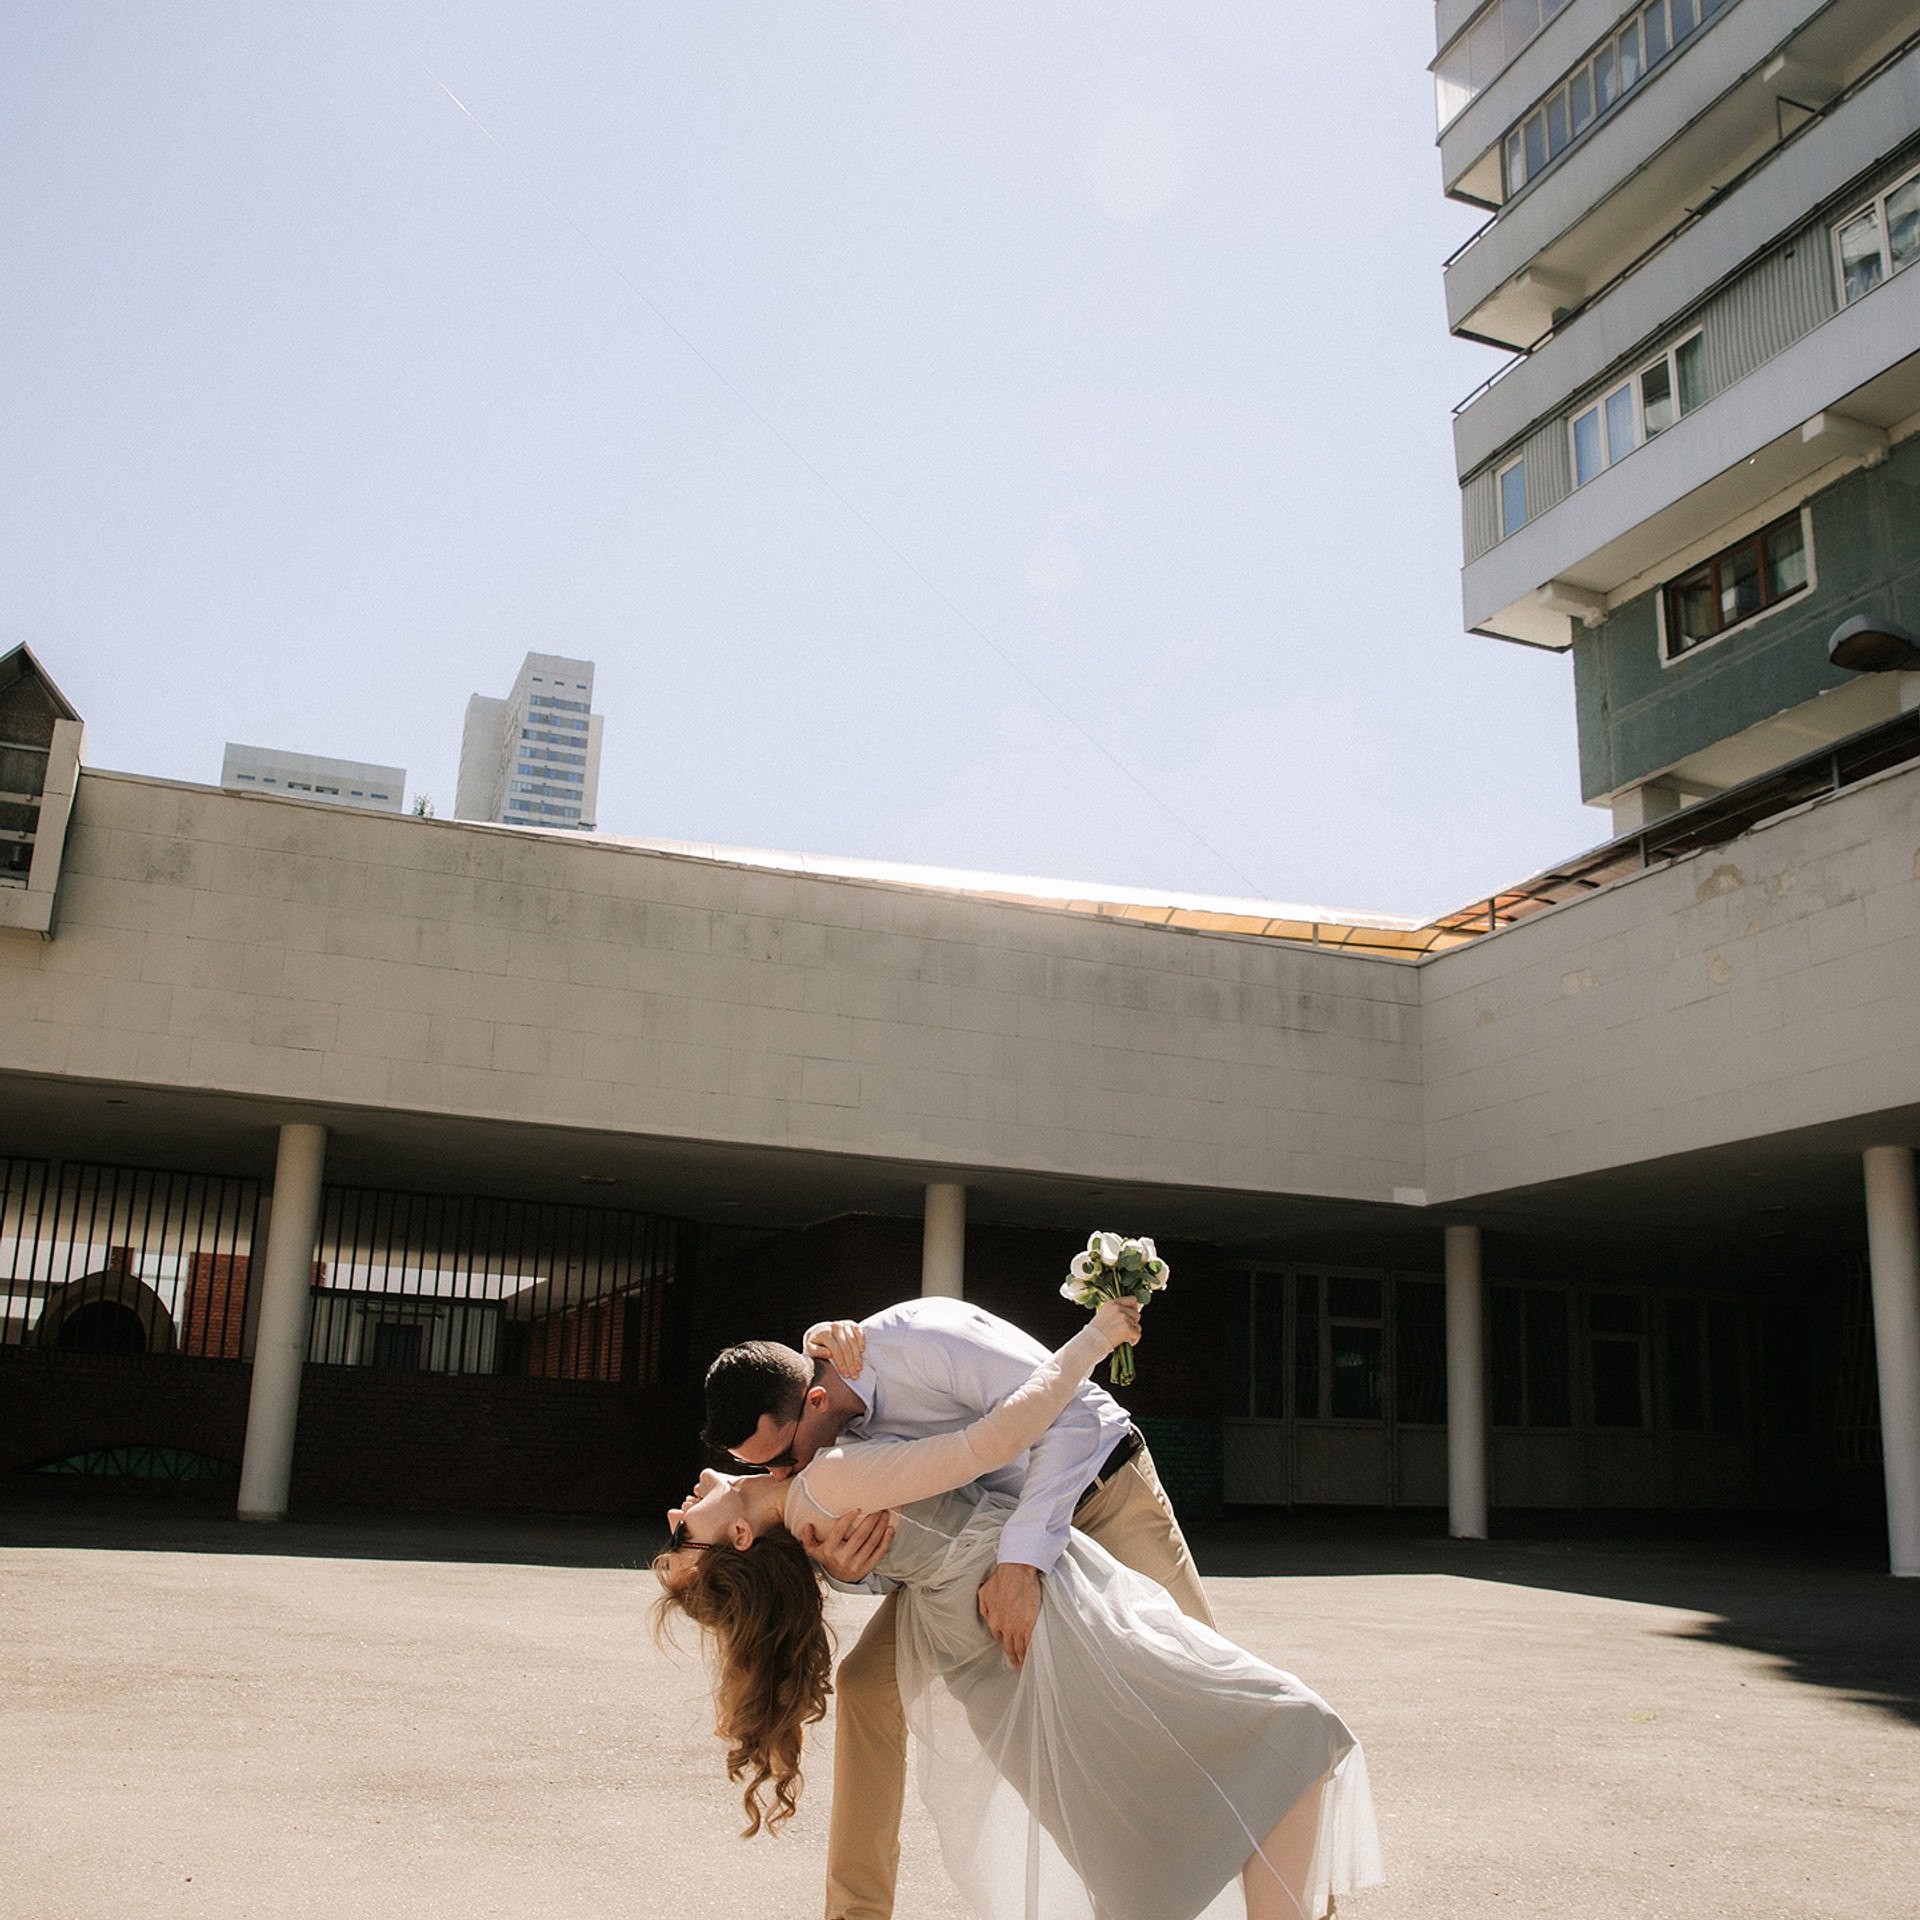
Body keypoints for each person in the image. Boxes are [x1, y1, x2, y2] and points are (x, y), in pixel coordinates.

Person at [660, 1300, 1383, 1920]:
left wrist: (1021, 1562)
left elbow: (1067, 1416)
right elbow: (897, 1529)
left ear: (816, 1399)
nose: (779, 1471)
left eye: (782, 1454)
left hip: (1097, 1493)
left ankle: (1297, 1895)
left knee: (1209, 1706)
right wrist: (856, 1572)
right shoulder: (821, 1454)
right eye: (761, 1467)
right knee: (863, 1687)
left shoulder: (920, 1341)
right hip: (970, 1565)